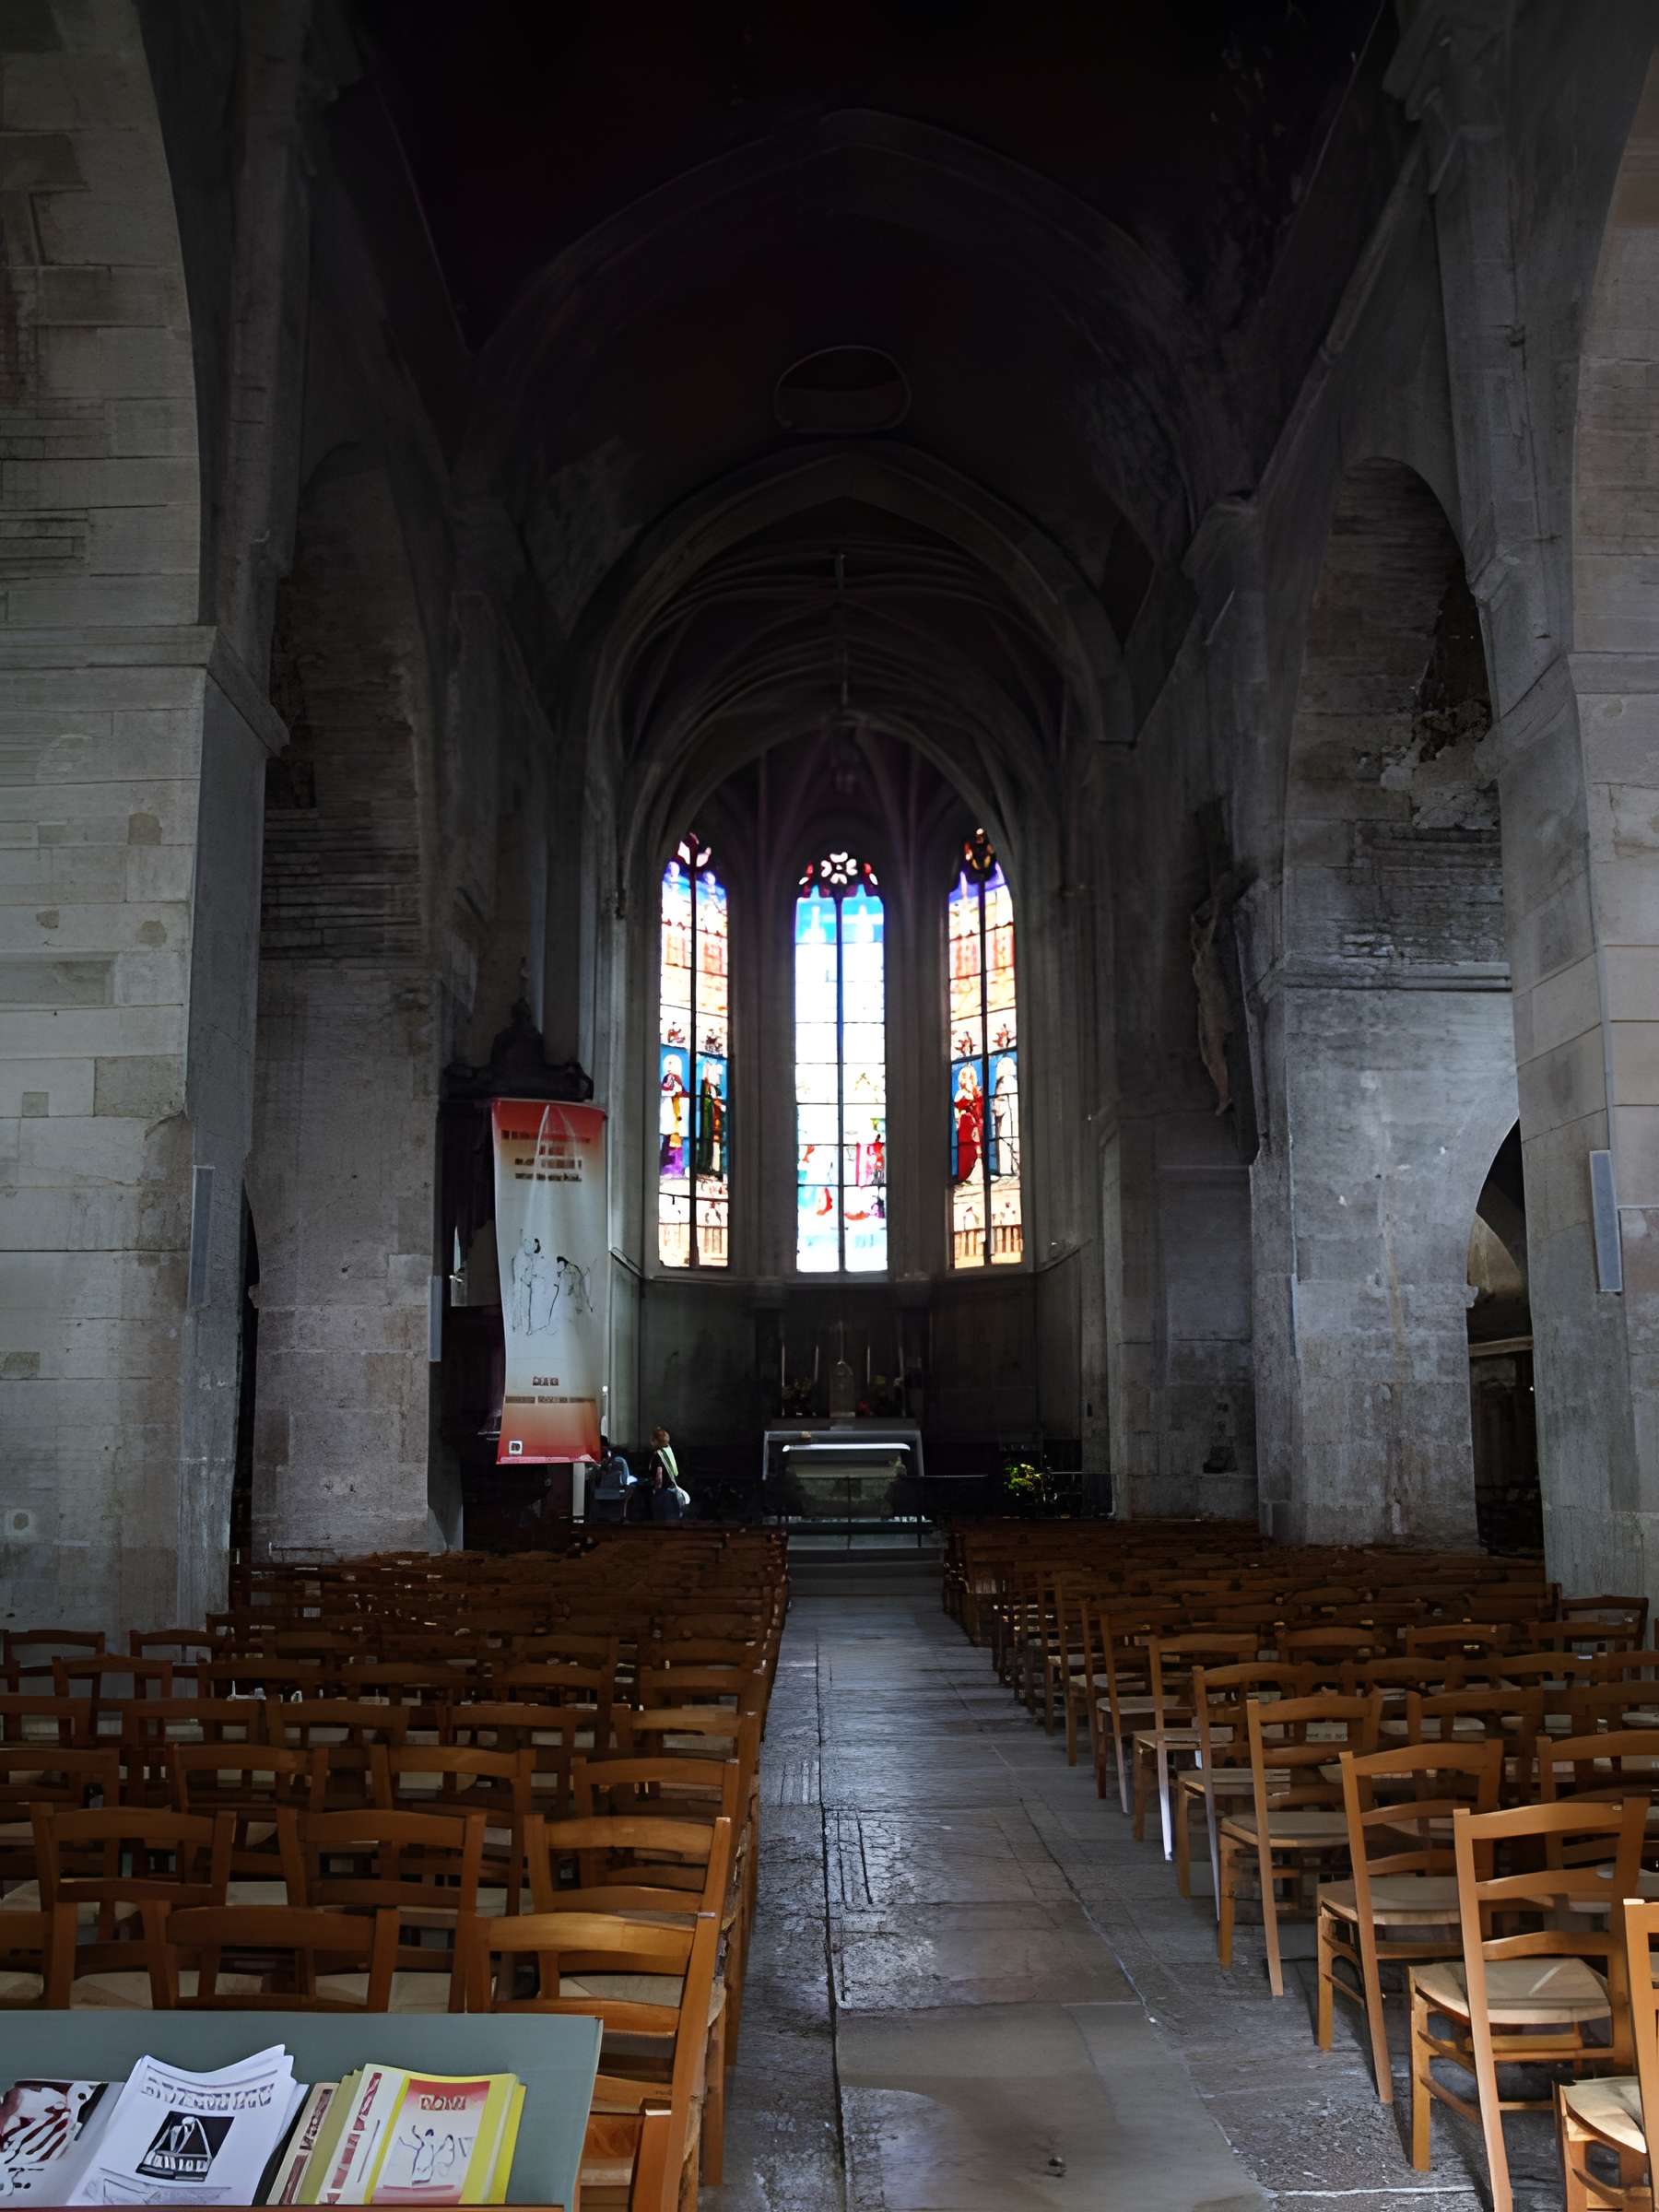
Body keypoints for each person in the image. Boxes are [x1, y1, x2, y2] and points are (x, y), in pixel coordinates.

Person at [589, 1435, 634, 1524]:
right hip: (601, 1502)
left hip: (615, 1501)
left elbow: (625, 1482)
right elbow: (593, 1482)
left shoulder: (618, 1461)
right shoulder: (597, 1464)